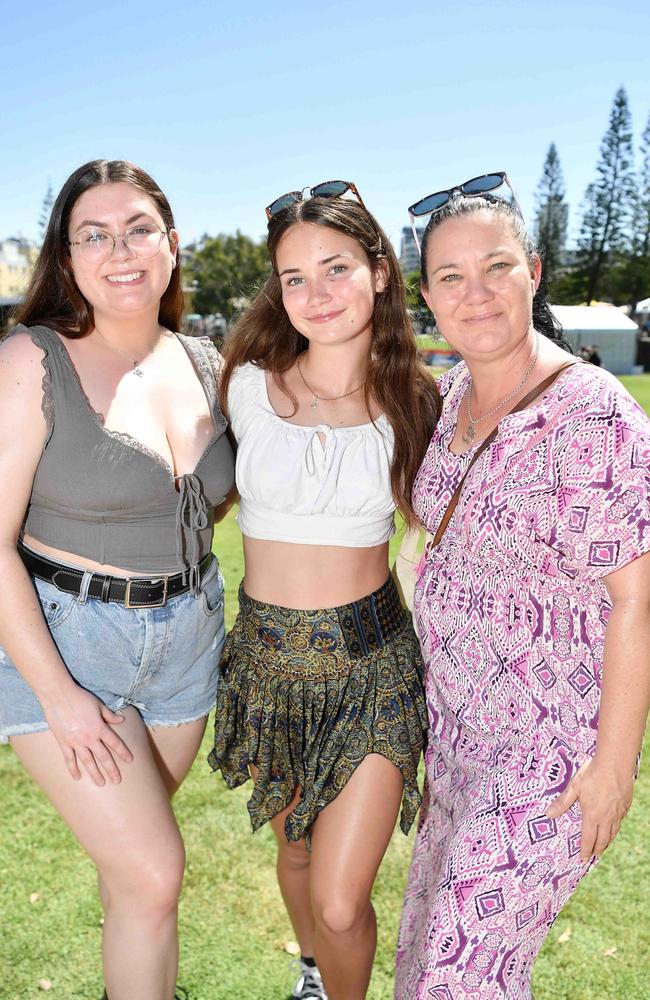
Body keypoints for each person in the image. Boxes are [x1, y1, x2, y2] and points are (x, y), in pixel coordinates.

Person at [395, 174, 650, 998]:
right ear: (427, 294)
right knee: (429, 957)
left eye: (497, 266)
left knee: (454, 978)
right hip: (456, 736)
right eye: (450, 277)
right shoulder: (451, 394)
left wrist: (614, 767)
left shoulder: (595, 415)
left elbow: (636, 600)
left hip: (548, 751)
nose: (477, 294)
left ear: (534, 272)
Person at [0, 160, 235, 1000]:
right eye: (93, 234)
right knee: (153, 873)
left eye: (139, 228)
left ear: (172, 244)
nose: (120, 250)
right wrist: (60, 696)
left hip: (187, 643)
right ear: (67, 259)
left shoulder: (210, 362)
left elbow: (212, 497)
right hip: (66, 641)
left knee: (133, 876)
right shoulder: (32, 359)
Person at [208, 182, 441, 1000]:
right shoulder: (242, 386)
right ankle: (313, 976)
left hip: (371, 668)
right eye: (295, 277)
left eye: (335, 267)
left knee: (341, 903)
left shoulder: (420, 401)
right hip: (266, 665)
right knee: (298, 853)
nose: (315, 294)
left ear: (380, 271)